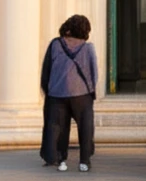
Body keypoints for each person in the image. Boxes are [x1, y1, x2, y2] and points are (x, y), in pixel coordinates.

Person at [40, 14, 98, 173]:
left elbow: (47, 69)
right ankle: (84, 161)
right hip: (82, 95)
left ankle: (61, 159)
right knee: (85, 128)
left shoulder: (56, 44)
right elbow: (94, 73)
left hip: (57, 94)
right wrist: (91, 91)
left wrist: (48, 90)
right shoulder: (88, 47)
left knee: (59, 127)